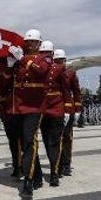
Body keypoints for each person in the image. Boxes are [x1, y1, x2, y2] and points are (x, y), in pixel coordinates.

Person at [8, 29, 50, 200]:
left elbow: (41, 72)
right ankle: (37, 174)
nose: (30, 44)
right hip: (19, 107)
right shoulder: (19, 61)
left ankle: (28, 181)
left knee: (28, 140)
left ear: (39, 44)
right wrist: (10, 65)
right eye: (28, 41)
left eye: (33, 41)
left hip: (34, 106)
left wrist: (22, 59)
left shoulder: (43, 58)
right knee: (26, 143)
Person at [39, 46, 73, 187]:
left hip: (57, 109)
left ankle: (54, 172)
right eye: (43, 52)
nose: (45, 55)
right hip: (42, 110)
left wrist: (68, 109)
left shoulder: (59, 69)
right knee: (47, 141)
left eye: (47, 52)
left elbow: (66, 90)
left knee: (55, 141)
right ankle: (56, 166)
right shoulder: (38, 69)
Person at [55, 49, 82, 176]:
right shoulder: (51, 72)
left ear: (65, 61)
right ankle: (57, 164)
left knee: (67, 137)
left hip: (68, 109)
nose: (59, 62)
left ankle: (66, 164)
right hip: (55, 108)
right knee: (55, 138)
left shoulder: (70, 73)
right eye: (57, 60)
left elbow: (76, 91)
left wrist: (77, 109)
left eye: (61, 60)